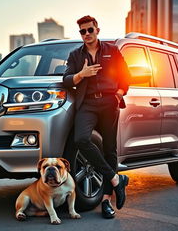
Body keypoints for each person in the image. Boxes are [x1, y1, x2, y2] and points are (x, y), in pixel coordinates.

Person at [63, 15, 131, 218]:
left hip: (110, 102)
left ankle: (106, 202)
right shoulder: (75, 55)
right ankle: (116, 179)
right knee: (81, 139)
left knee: (110, 149)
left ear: (97, 30)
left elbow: (126, 76)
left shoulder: (112, 50)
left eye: (89, 30)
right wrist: (81, 75)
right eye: (82, 31)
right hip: (87, 104)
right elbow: (66, 80)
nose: (86, 34)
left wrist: (118, 94)